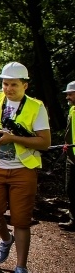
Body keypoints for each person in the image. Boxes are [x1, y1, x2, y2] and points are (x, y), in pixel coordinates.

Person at [0, 62, 51, 273]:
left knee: (21, 220)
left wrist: (13, 138)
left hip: (23, 170)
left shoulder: (36, 107)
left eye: (13, 85)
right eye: (5, 83)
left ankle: (21, 267)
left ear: (25, 85)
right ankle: (5, 239)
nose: (8, 89)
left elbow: (45, 142)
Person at [60, 81, 75, 231]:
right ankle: (72, 215)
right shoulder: (72, 110)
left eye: (70, 94)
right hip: (72, 156)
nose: (67, 97)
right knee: (70, 188)